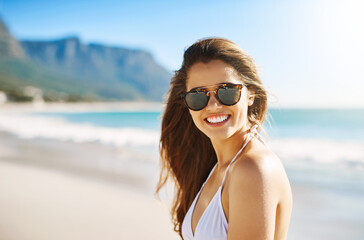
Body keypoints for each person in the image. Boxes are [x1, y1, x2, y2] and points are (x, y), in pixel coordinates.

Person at [156, 38, 292, 240]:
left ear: (250, 94)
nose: (212, 105)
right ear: (187, 104)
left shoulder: (253, 169)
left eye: (226, 91)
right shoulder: (218, 166)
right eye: (198, 96)